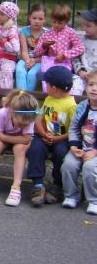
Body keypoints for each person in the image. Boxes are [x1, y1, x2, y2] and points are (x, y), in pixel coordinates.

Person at [0, 90, 39, 207]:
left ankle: (16, 186)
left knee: (20, 149)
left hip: (15, 139)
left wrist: (5, 137)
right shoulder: (3, 113)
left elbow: (26, 139)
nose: (23, 126)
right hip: (5, 137)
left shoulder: (28, 115)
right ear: (11, 112)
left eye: (25, 125)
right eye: (20, 124)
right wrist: (4, 137)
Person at [26, 65, 76, 207]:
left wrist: (57, 139)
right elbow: (39, 119)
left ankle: (57, 186)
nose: (45, 86)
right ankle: (38, 184)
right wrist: (42, 133)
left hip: (62, 139)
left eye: (46, 84)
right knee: (35, 148)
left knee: (61, 153)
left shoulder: (71, 105)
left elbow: (73, 130)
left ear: (54, 88)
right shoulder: (49, 98)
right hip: (44, 135)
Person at [62, 69, 97, 214]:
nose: (94, 88)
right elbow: (74, 128)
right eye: (91, 84)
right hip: (81, 148)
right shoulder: (82, 106)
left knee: (89, 168)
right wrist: (74, 146)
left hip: (95, 152)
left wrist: (95, 152)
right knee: (68, 165)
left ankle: (94, 200)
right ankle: (71, 196)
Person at [33, 3, 85, 95]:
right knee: (47, 80)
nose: (56, 25)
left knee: (61, 80)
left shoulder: (70, 33)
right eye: (54, 22)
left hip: (64, 62)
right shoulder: (47, 33)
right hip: (49, 61)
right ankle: (47, 98)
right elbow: (36, 53)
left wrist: (65, 55)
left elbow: (80, 48)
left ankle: (62, 99)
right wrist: (44, 46)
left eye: (60, 23)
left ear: (66, 21)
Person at [15, 4, 47, 91]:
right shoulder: (24, 31)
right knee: (20, 70)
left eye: (40, 19)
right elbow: (24, 51)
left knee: (32, 74)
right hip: (25, 58)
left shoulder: (47, 33)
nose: (37, 21)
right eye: (34, 18)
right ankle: (21, 96)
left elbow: (46, 54)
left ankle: (28, 99)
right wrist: (28, 61)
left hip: (40, 60)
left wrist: (35, 61)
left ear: (45, 20)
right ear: (29, 18)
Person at [71, 8, 97, 95]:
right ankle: (75, 106)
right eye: (83, 25)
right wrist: (80, 71)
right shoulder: (80, 41)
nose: (84, 28)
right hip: (83, 76)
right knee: (75, 86)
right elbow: (75, 58)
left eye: (88, 26)